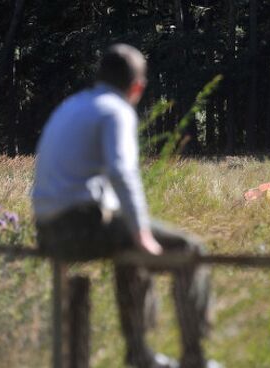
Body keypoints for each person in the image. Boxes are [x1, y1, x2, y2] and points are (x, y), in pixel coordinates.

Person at [32, 44, 212, 368]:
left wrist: (132, 229)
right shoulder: (116, 110)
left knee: (127, 248)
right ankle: (194, 358)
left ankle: (140, 354)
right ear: (137, 86)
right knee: (189, 248)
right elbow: (122, 171)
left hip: (47, 231)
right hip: (79, 226)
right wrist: (142, 232)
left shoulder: (72, 106)